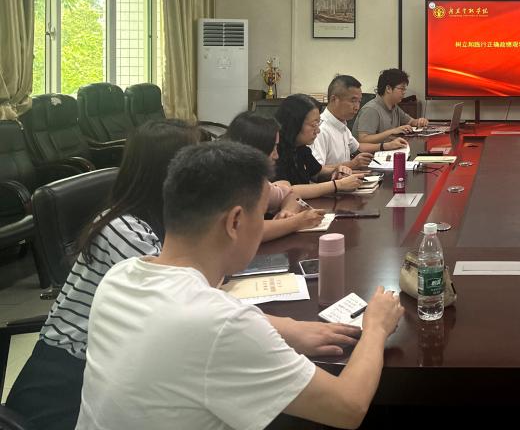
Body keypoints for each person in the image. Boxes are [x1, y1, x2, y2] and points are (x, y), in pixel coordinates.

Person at [75, 141, 404, 430]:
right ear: (234, 222)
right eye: (261, 215)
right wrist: (376, 327)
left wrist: (289, 328)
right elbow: (348, 406)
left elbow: (194, 322)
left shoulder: (119, 276)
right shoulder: (221, 325)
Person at [6, 119, 202, 430]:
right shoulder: (124, 230)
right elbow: (187, 304)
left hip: (111, 368)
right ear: (168, 172)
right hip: (66, 384)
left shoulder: (163, 216)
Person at [224, 111, 327, 240]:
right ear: (255, 149)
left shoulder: (256, 181)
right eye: (273, 147)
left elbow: (291, 194)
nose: (276, 155)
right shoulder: (228, 184)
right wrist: (296, 222)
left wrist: (287, 211)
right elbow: (245, 231)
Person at [275, 94, 365, 194]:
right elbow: (285, 191)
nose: (318, 130)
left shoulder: (300, 148)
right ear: (294, 124)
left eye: (318, 124)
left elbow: (317, 173)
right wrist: (337, 185)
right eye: (313, 125)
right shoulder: (274, 150)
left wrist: (336, 171)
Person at [312, 74, 407, 168]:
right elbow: (317, 171)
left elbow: (358, 147)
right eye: (353, 101)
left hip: (348, 176)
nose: (357, 107)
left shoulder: (341, 124)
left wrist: (387, 145)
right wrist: (352, 164)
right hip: (338, 178)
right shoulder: (320, 130)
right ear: (334, 99)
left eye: (359, 101)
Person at [354, 68, 428, 146]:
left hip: (388, 150)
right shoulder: (371, 109)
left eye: (405, 89)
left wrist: (419, 121)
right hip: (370, 153)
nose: (404, 93)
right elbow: (363, 140)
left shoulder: (394, 106)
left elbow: (411, 121)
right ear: (388, 89)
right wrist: (393, 131)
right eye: (402, 89)